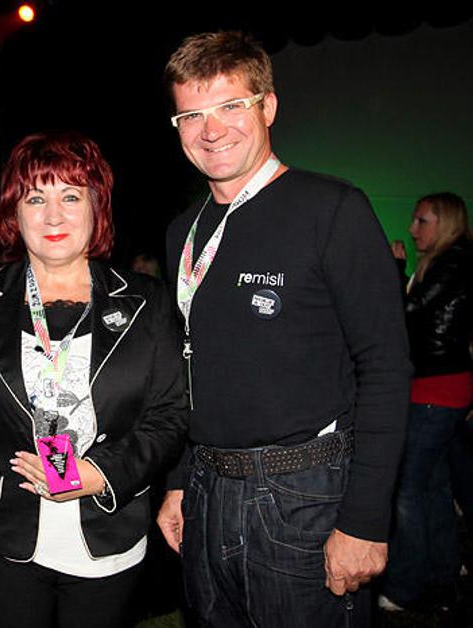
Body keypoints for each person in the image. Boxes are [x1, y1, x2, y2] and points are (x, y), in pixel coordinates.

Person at [156, 31, 411, 627]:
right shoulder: (181, 232)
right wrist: (179, 480)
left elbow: (385, 368)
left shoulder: (333, 210)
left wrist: (364, 521)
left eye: (230, 106)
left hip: (304, 495)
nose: (210, 130)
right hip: (206, 489)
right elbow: (191, 367)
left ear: (267, 106)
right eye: (191, 115)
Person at [0, 131, 187, 628]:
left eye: (70, 197)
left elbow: (170, 418)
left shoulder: (147, 303)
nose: (53, 216)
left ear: (96, 207)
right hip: (1, 542)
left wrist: (100, 474)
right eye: (35, 199)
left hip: (108, 538)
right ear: (14, 213)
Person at [380, 192, 473, 613]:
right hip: (437, 386)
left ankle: (406, 586)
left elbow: (409, 315)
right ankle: (442, 574)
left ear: (445, 222)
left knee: (408, 489)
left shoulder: (452, 263)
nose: (412, 228)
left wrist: (394, 271)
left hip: (436, 388)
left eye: (422, 221)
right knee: (432, 486)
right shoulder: (448, 261)